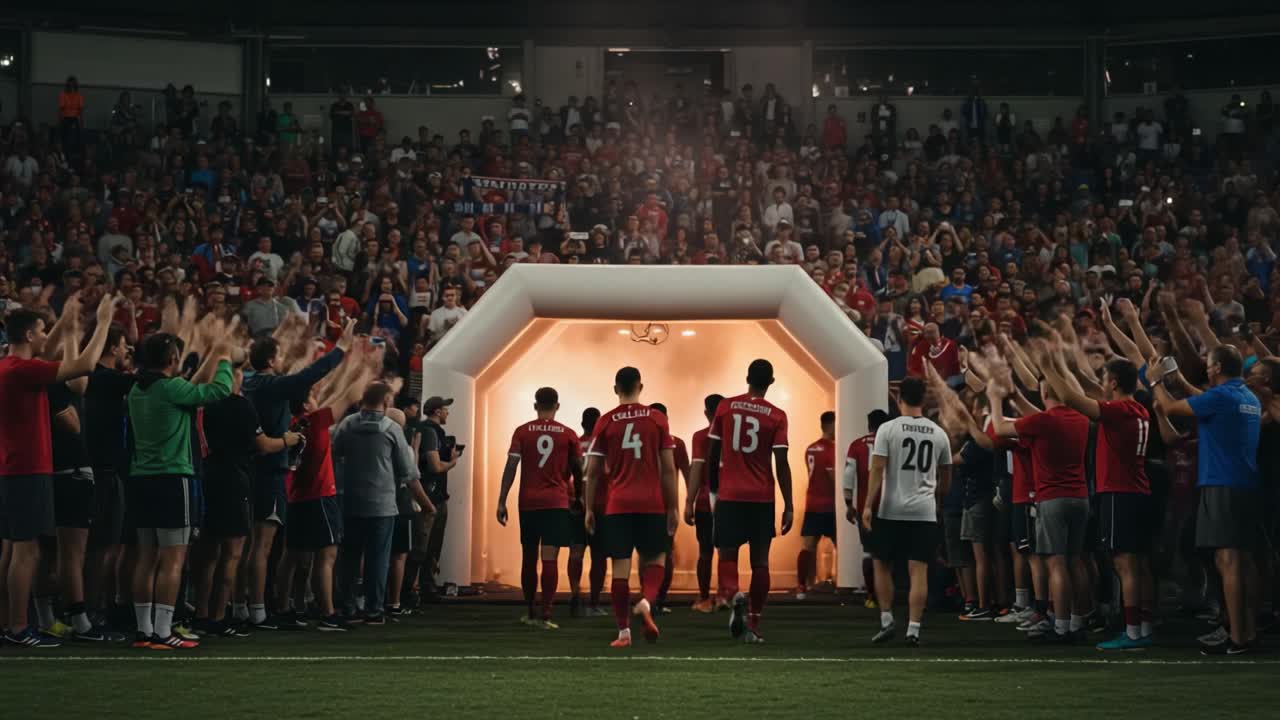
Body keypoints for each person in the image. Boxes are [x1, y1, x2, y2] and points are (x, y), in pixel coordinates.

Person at [0, 294, 117, 649]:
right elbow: (83, 366)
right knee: (27, 552)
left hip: (12, 467)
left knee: (13, 550)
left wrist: (66, 321)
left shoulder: (9, 366)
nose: (44, 336)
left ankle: (10, 623)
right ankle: (18, 627)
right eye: (41, 331)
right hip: (28, 467)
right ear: (29, 335)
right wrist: (104, 322)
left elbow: (47, 352)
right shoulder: (22, 371)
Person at [126, 328, 235, 650]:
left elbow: (189, 390)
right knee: (173, 559)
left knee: (146, 558)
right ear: (173, 358)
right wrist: (224, 359)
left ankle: (144, 631)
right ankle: (163, 631)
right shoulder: (171, 388)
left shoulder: (137, 389)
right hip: (173, 479)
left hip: (141, 479)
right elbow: (219, 391)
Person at [241, 319, 353, 630]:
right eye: (279, 355)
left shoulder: (250, 384)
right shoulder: (270, 386)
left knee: (256, 546)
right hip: (270, 471)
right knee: (262, 546)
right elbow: (309, 376)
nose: (282, 360)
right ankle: (258, 611)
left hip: (258, 471)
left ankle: (246, 606)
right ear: (271, 360)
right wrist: (341, 349)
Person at [1041, 352, 1156, 650]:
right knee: (1140, 564)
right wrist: (1070, 368)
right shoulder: (1139, 407)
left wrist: (1047, 366)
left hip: (1119, 492)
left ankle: (1132, 632)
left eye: (1105, 379)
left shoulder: (1117, 411)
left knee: (1124, 564)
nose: (1101, 383)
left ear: (1114, 383)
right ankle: (1144, 626)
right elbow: (1090, 391)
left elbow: (1070, 398)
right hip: (1139, 491)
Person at [1153, 345, 1262, 655]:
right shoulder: (1246, 397)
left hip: (1221, 484)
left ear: (1216, 368)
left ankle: (1238, 637)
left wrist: (1155, 381)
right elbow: (1202, 399)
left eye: (1209, 364)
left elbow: (1170, 408)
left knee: (1228, 561)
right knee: (1242, 561)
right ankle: (1247, 630)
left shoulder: (1221, 397)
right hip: (1245, 484)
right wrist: (1178, 380)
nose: (1207, 368)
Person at [192, 352, 301, 637]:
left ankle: (201, 614)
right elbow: (263, 445)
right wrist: (287, 440)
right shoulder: (239, 405)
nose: (243, 374)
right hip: (234, 479)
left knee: (208, 552)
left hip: (207, 475)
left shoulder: (202, 403)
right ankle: (218, 617)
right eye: (238, 370)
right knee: (232, 554)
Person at [686, 359, 792, 643]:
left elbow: (713, 454)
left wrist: (713, 493)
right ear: (771, 382)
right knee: (760, 562)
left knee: (727, 554)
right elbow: (781, 463)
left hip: (730, 495)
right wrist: (789, 504)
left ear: (747, 378)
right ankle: (754, 623)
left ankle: (734, 596)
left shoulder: (726, 407)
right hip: (762, 497)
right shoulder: (777, 415)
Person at [989, 376, 1092, 643]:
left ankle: (1060, 627)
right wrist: (1015, 395)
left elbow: (999, 429)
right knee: (1076, 561)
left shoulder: (1043, 421)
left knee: (1056, 563)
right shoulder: (1081, 419)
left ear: (1044, 393)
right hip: (1080, 497)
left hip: (1052, 498)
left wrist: (995, 398)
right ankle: (1078, 622)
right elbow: (1044, 416)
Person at [584, 367, 678, 648]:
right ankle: (647, 601)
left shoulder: (605, 421)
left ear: (616, 389)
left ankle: (623, 632)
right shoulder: (657, 419)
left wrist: (589, 509)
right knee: (657, 559)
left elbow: (593, 472)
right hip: (651, 502)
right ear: (641, 386)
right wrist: (672, 507)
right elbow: (668, 470)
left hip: (618, 505)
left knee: (620, 569)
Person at [862, 377, 952, 646]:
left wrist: (867, 504)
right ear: (923, 399)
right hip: (924, 511)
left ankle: (887, 619)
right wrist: (939, 501)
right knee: (918, 570)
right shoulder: (938, 433)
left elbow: (877, 468)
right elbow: (946, 474)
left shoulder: (888, 429)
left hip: (891, 509)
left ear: (899, 398)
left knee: (881, 563)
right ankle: (913, 629)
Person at [332, 381, 429, 624]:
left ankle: (348, 608)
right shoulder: (391, 429)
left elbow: (335, 455)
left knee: (350, 558)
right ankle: (374, 610)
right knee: (378, 559)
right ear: (386, 401)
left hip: (351, 502)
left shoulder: (347, 424)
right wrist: (427, 504)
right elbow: (408, 471)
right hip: (383, 504)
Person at [496, 387, 583, 628]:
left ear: (535, 406)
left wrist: (502, 499)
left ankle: (531, 611)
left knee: (529, 556)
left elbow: (511, 466)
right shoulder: (568, 434)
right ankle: (546, 613)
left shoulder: (522, 432)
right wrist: (579, 497)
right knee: (549, 558)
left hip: (529, 502)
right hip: (556, 502)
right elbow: (578, 469)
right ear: (557, 406)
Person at [412, 395, 462, 601]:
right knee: (425, 545)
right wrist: (453, 462)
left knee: (429, 544)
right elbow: (435, 466)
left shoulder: (428, 431)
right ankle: (417, 588)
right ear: (437, 411)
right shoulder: (430, 432)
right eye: (445, 409)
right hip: (431, 496)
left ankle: (422, 587)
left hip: (432, 494)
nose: (448, 412)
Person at [843, 409, 889, 607]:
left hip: (865, 507)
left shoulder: (856, 445)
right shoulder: (891, 443)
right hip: (889, 507)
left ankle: (871, 597)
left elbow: (848, 476)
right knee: (887, 552)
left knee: (868, 551)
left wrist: (848, 504)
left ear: (869, 425)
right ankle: (887, 595)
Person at [687, 394, 724, 612]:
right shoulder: (734, 437)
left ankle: (704, 598)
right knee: (727, 551)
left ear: (706, 413)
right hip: (730, 501)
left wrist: (688, 502)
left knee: (705, 552)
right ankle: (724, 595)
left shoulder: (701, 436)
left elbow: (697, 469)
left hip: (705, 502)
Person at [571, 407, 608, 617]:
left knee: (576, 551)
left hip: (576, 505)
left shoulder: (575, 444)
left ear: (582, 423)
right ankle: (594, 602)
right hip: (600, 505)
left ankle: (575, 593)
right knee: (599, 555)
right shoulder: (603, 447)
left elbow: (567, 474)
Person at [796, 411, 836, 599]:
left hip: (812, 503)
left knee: (808, 546)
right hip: (829, 504)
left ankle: (802, 586)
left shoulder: (810, 448)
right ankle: (845, 584)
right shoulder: (831, 449)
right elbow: (833, 478)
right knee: (842, 544)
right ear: (830, 425)